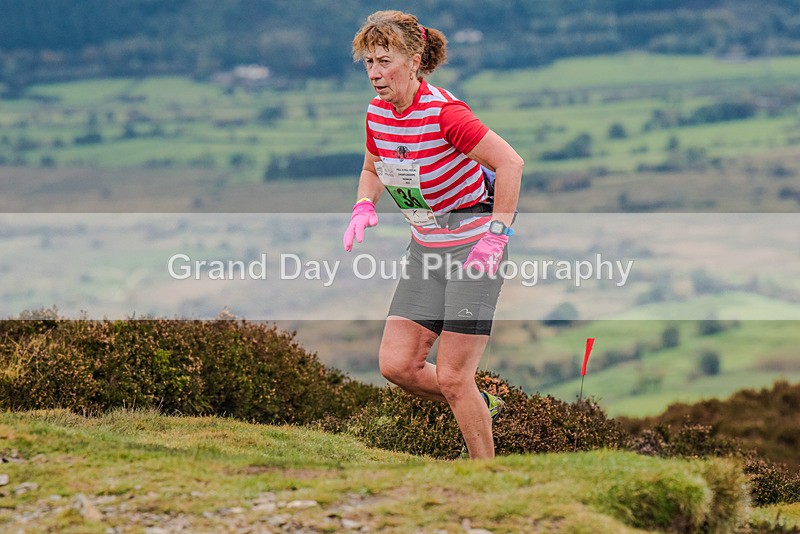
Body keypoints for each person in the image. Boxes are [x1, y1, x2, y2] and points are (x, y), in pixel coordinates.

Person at [343, 10, 523, 459]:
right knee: (397, 365)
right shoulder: (377, 114)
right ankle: (484, 406)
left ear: (414, 59)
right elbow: (373, 167)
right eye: (368, 63)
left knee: (454, 377)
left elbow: (511, 164)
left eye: (385, 61)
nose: (375, 73)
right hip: (426, 251)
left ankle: (487, 480)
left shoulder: (445, 113)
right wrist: (364, 204)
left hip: (474, 249)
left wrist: (497, 234)